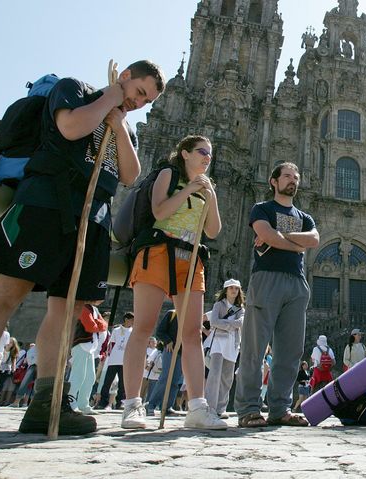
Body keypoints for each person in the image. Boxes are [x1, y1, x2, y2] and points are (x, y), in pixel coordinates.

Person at [0, 60, 164, 441]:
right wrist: (108, 99)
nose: (141, 102)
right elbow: (71, 127)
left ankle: (48, 401)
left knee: (69, 309)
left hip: (92, 220)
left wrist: (119, 124)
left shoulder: (123, 125)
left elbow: (128, 175)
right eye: (139, 92)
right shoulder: (75, 89)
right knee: (5, 293)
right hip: (45, 204)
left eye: (148, 100)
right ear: (124, 76)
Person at [121, 135, 224, 430]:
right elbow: (160, 211)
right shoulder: (169, 174)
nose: (207, 157)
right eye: (202, 152)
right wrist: (190, 188)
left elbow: (213, 230)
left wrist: (210, 195)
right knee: (142, 328)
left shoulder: (206, 189)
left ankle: (197, 407)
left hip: (190, 259)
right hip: (157, 252)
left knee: (191, 334)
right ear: (185, 153)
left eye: (210, 153)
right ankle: (131, 405)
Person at [235, 162, 319, 428]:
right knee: (254, 348)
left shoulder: (305, 216)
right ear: (274, 181)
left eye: (296, 177)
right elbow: (266, 234)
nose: (292, 180)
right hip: (266, 278)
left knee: (290, 351)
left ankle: (279, 408)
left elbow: (315, 240)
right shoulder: (262, 208)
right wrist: (295, 244)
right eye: (286, 176)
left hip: (297, 282)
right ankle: (248, 409)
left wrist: (279, 237)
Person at [205, 279, 245, 418]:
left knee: (227, 378)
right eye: (231, 288)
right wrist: (230, 325)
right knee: (215, 375)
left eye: (236, 288)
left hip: (232, 345)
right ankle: (210, 407)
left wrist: (224, 324)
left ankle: (220, 408)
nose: (234, 290)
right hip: (218, 343)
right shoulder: (218, 305)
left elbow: (241, 323)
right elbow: (214, 322)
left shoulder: (240, 309)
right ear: (226, 290)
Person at [69, 301, 106, 414]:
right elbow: (90, 326)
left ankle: (83, 404)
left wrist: (98, 323)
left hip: (90, 348)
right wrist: (98, 323)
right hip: (81, 345)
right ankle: (70, 401)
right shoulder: (84, 307)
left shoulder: (94, 309)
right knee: (78, 375)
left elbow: (104, 325)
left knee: (90, 378)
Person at [145, 310, 184, 417]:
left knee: (176, 380)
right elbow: (160, 331)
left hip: (183, 351)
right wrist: (168, 341)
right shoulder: (172, 313)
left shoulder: (191, 315)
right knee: (166, 377)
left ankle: (167, 406)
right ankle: (151, 404)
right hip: (170, 349)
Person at [97, 312, 133, 411]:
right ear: (126, 319)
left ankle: (120, 402)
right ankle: (103, 402)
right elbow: (111, 344)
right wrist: (109, 356)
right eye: (131, 320)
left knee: (122, 383)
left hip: (125, 361)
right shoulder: (116, 330)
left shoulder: (133, 331)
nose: (132, 322)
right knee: (107, 382)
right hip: (114, 360)